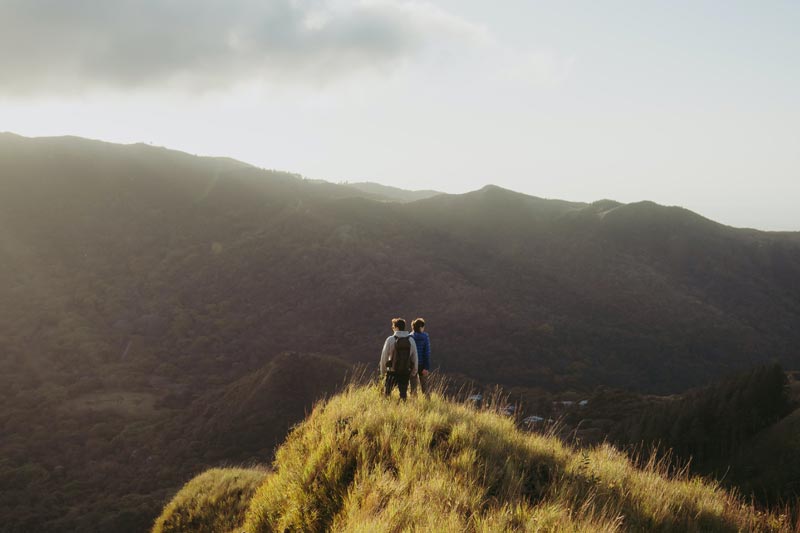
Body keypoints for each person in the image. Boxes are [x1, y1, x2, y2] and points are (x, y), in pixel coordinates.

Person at [380, 317, 418, 400]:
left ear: (396, 327)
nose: (393, 329)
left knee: (387, 394)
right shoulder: (411, 340)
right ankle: (403, 410)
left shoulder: (390, 340)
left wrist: (383, 372)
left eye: (393, 327)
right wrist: (413, 372)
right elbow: (415, 358)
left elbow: (384, 357)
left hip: (392, 371)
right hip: (405, 371)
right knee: (403, 395)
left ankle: (388, 410)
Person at [410, 318, 431, 396]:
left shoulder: (410, 337)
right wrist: (426, 367)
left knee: (413, 387)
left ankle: (414, 404)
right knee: (425, 387)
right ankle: (428, 404)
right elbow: (427, 353)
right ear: (421, 327)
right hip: (422, 365)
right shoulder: (425, 337)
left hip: (412, 364)